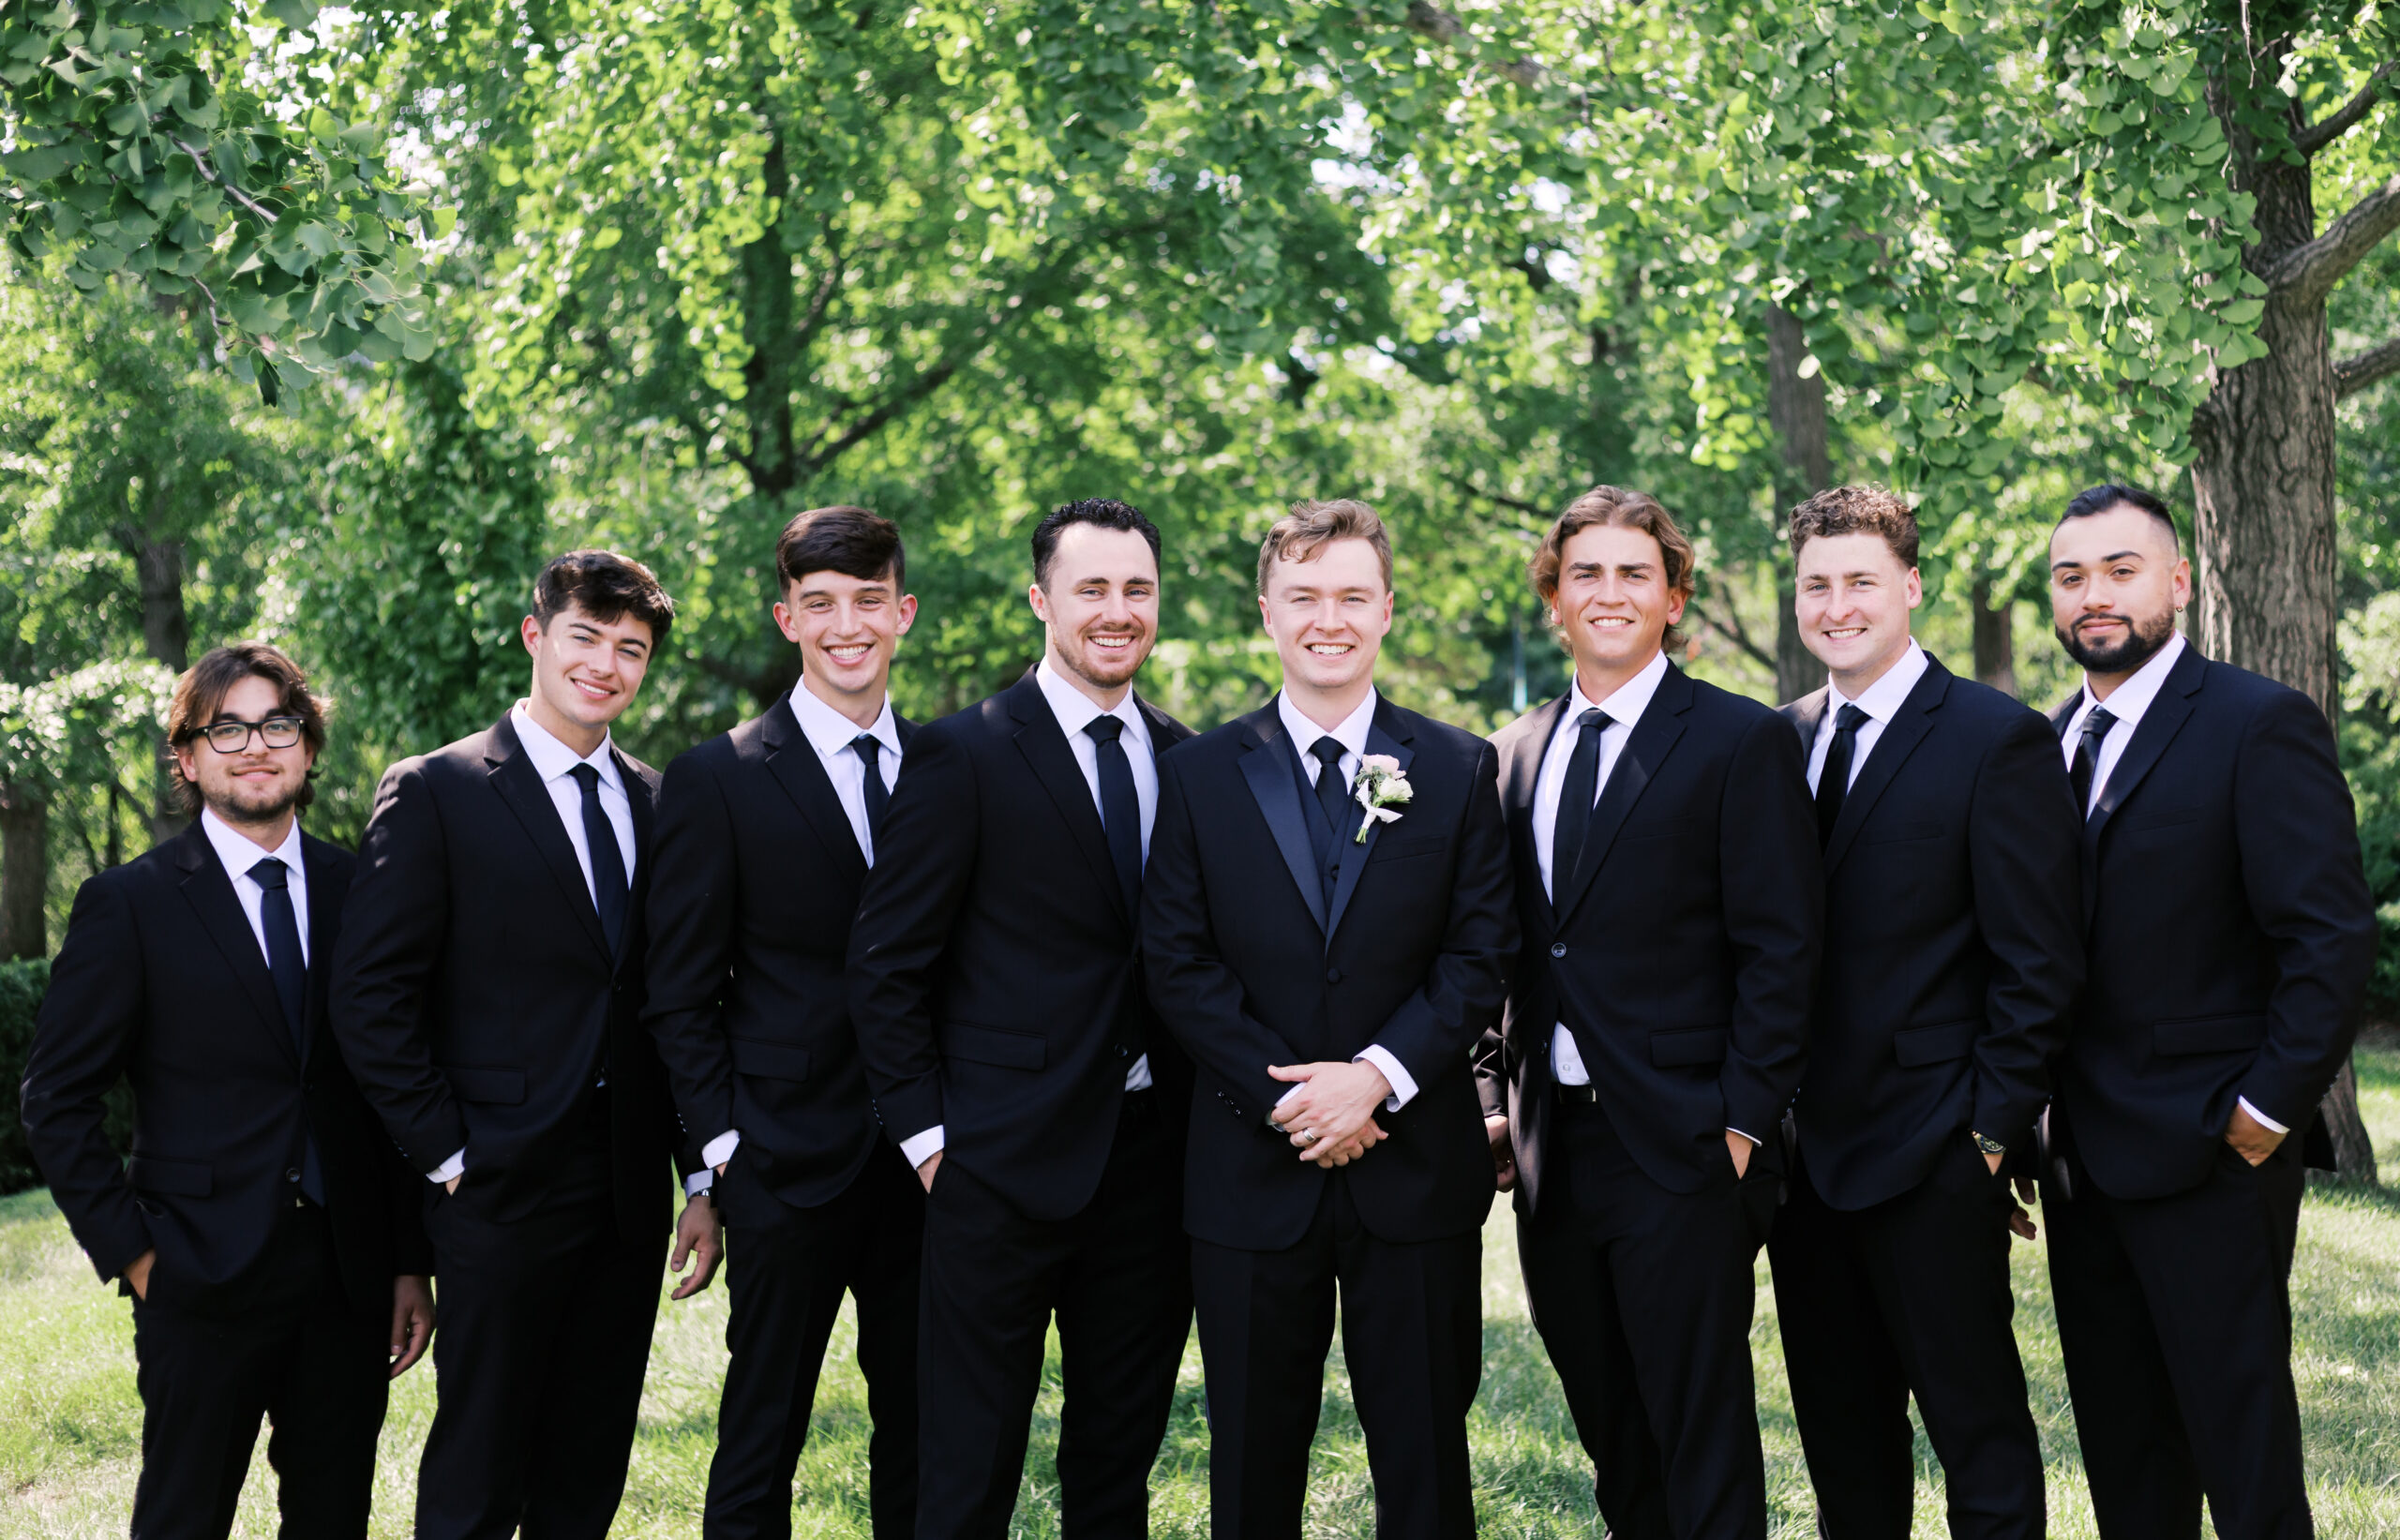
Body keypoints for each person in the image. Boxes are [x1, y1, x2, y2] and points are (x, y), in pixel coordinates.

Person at [1142, 499, 1516, 1538]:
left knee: (1427, 1461)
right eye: (1304, 596)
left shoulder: (1454, 764)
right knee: (1252, 1465)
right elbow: (1178, 963)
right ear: (1266, 610)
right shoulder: (1197, 773)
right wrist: (1299, 1100)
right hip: (1251, 1171)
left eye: (1352, 595)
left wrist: (1376, 1076)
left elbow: (1479, 951)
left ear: (1387, 609)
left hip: (1414, 1165)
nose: (1328, 618)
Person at [329, 550, 721, 1540]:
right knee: (478, 1470)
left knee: (587, 1471)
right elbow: (369, 998)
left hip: (628, 1193)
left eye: (630, 648)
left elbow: (673, 1002)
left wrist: (700, 1175)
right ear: (536, 635)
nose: (607, 663)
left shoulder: (659, 800)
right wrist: (451, 1155)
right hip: (495, 1186)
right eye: (586, 636)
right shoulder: (436, 790)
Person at [19, 643, 434, 1539]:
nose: (256, 746)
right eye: (228, 728)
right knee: (183, 1518)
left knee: (332, 1519)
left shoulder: (363, 887)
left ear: (309, 746)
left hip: (348, 1276)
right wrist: (136, 1258)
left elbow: (392, 1078)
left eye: (278, 724)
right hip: (197, 1275)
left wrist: (407, 1257)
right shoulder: (128, 904)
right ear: (188, 756)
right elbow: (55, 1098)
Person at [848, 498, 1195, 1540]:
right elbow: (884, 964)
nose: (1116, 609)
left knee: (1116, 1461)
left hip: (1149, 1169)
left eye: (1135, 588)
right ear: (1042, 598)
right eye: (1091, 587)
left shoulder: (1188, 758)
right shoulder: (964, 753)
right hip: (991, 1166)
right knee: (968, 1464)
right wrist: (928, 1142)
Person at [1479, 486, 1821, 1540]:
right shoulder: (1509, 752)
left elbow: (1783, 946)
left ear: (1673, 596)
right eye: (1586, 572)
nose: (1609, 591)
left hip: (1684, 1142)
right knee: (1610, 1426)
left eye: (1636, 572)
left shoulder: (1736, 739)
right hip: (1552, 1151)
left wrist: (1738, 1121)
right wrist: (1493, 1097)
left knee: (1698, 1428)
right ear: (1554, 596)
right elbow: (1503, 952)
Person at [2037, 485, 2374, 1540]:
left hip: (2210, 1153)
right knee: (2124, 1450)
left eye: (2120, 569)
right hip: (2077, 1160)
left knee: (2240, 1446)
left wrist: (2265, 1114)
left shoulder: (2254, 721)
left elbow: (2328, 938)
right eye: (2071, 574)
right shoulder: (2044, 743)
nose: (2094, 595)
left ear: (2177, 581)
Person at [1766, 487, 2080, 1539]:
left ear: (1909, 587)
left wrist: (1987, 1140)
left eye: (1860, 580)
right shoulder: (1775, 742)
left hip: (1934, 1153)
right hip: (1800, 1163)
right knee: (1843, 1451)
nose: (1837, 603)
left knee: (1978, 1439)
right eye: (1817, 583)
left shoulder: (1996, 738)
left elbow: (2037, 963)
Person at [645, 506, 925, 1540]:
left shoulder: (949, 766)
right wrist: (718, 1156)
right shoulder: (717, 776)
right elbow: (677, 992)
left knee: (925, 1427)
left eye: (866, 602)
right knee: (761, 1431)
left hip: (928, 1163)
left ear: (900, 613)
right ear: (786, 617)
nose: (845, 625)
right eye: (820, 605)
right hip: (780, 1161)